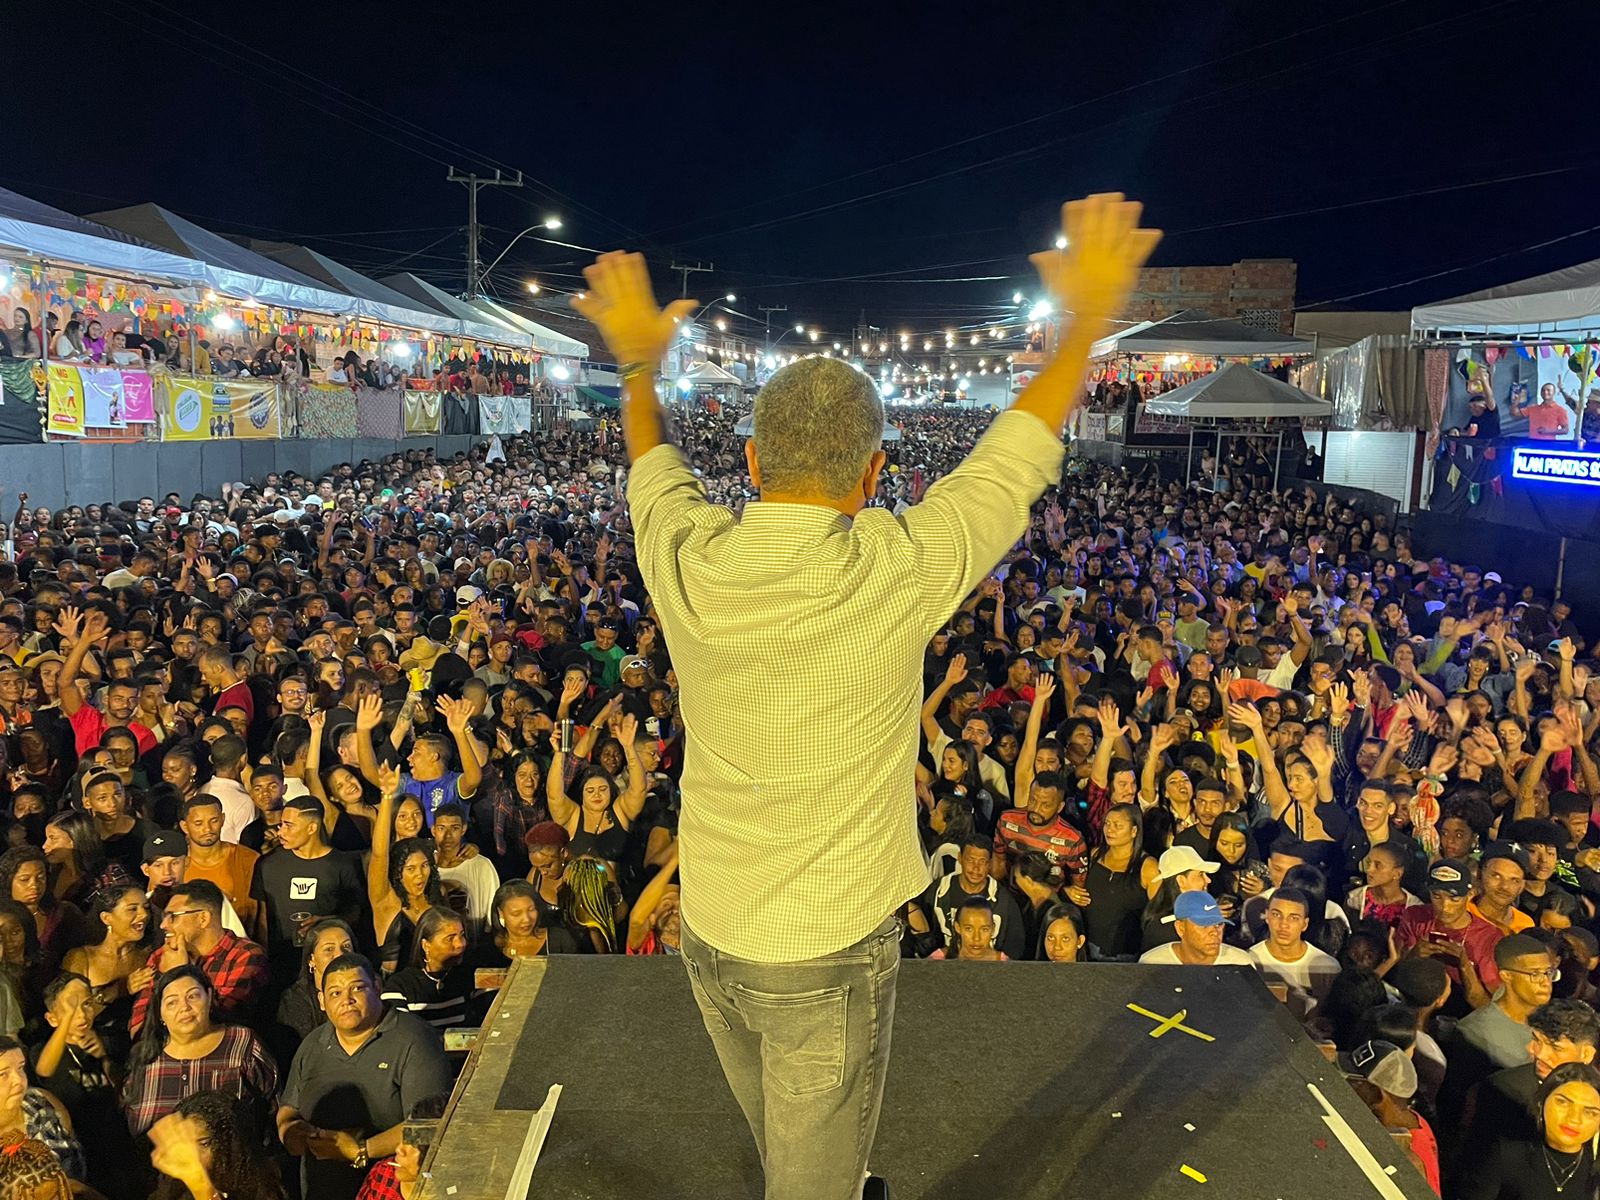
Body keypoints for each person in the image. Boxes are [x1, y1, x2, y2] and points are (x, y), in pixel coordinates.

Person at [574, 191, 1160, 1198]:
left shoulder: (686, 556)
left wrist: (637, 364)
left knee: (787, 1153)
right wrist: (1083, 326)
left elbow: (650, 466)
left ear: (750, 463)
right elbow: (1007, 463)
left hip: (708, 927)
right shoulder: (897, 566)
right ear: (877, 472)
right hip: (824, 952)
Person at [277, 953, 452, 1200]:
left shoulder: (414, 1039)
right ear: (322, 1001)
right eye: (335, 993)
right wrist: (290, 1131)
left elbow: (426, 1125)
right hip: (321, 1186)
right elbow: (288, 1108)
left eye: (357, 988)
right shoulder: (313, 1044)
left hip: (389, 1186)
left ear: (377, 987)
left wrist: (361, 1151)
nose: (346, 1000)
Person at [120, 965, 277, 1139]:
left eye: (193, 996)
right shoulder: (145, 1059)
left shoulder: (242, 1043)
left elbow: (274, 1106)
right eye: (172, 1002)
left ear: (209, 998)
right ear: (160, 1015)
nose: (184, 1007)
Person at [1460, 1061, 1600, 1200]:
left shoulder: (1594, 1172)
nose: (1574, 1119)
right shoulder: (1506, 1156)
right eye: (1562, 1103)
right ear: (1542, 1102)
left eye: (1590, 1112)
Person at [1248, 887, 1340, 1022]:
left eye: (1293, 918)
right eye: (1276, 915)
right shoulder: (1249, 961)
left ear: (1304, 924)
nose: (1283, 924)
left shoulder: (1327, 967)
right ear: (1266, 916)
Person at [1138, 891, 1254, 966]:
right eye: (1204, 925)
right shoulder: (1153, 963)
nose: (1214, 932)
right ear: (1181, 928)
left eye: (1218, 924)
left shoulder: (1241, 964)